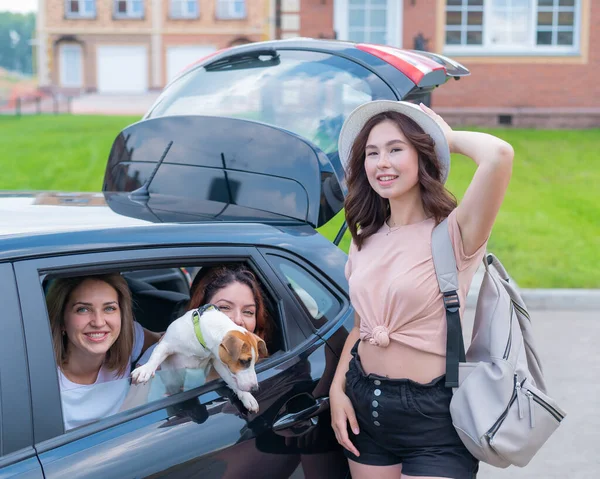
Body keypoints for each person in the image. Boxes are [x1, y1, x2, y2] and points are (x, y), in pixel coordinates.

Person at [330, 101, 514, 479]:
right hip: (367, 408)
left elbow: (499, 155)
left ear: (421, 154)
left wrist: (444, 137)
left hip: (434, 418)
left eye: (396, 149)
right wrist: (338, 390)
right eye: (372, 153)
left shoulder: (454, 233)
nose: (382, 162)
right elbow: (360, 326)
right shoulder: (365, 238)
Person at [47, 273, 162, 430]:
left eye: (109, 308)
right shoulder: (39, 376)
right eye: (83, 309)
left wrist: (147, 365)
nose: (99, 322)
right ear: (61, 321)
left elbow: (169, 342)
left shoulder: (127, 338)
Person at [186, 263, 274, 346]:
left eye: (248, 312)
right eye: (224, 308)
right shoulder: (176, 355)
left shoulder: (270, 361)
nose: (238, 320)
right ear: (200, 309)